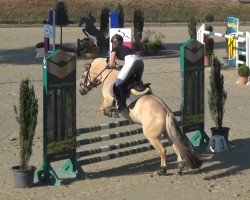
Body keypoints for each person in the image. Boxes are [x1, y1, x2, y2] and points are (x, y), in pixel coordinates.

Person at [107, 34, 144, 109]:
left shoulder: (115, 49)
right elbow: (130, 59)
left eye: (112, 43)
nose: (112, 45)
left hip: (131, 62)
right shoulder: (127, 48)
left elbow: (111, 64)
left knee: (118, 83)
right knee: (137, 82)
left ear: (115, 42)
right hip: (140, 61)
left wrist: (107, 66)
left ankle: (122, 103)